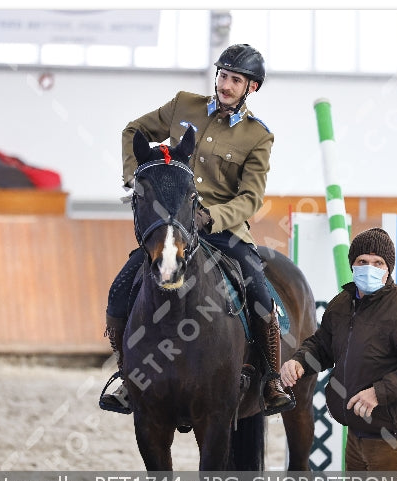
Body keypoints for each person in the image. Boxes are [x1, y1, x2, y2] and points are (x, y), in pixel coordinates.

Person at [99, 43, 293, 416]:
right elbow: (134, 130)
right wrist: (133, 177)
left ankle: (269, 379)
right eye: (222, 75)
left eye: (235, 79)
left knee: (258, 291)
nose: (225, 84)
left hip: (223, 230)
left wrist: (212, 217)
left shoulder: (257, 136)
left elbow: (251, 198)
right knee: (120, 289)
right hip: (172, 224)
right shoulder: (183, 104)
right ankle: (127, 376)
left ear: (251, 87)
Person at [279, 227, 397, 481]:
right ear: (352, 264)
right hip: (357, 432)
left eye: (378, 262)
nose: (369, 268)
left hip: (392, 435)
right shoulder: (342, 304)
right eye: (362, 261)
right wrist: (299, 361)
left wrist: (379, 393)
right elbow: (322, 345)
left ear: (388, 269)